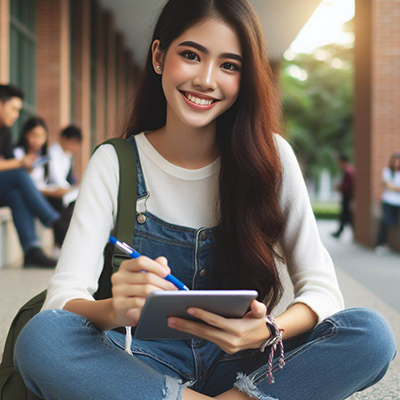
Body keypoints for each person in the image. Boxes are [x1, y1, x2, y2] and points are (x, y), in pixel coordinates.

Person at [13, 1, 396, 399]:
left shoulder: (272, 157)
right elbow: (61, 300)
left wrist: (268, 329)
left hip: (241, 363)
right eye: (191, 55)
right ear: (159, 56)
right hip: (139, 363)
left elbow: (322, 291)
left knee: (371, 335)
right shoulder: (115, 161)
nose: (207, 79)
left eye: (229, 65)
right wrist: (114, 309)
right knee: (44, 337)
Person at [0, 84, 67, 268]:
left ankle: (31, 252)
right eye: (13, 109)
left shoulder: (5, 131)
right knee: (19, 176)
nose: (16, 115)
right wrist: (19, 165)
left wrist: (24, 165)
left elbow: (10, 164)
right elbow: (13, 165)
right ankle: (55, 222)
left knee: (16, 195)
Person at [14, 117, 77, 247]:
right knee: (58, 204)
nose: (37, 140)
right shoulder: (17, 154)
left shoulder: (44, 157)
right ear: (25, 134)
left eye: (41, 136)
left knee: (66, 203)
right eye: (34, 135)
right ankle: (57, 228)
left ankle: (64, 243)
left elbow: (43, 182)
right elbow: (21, 183)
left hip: (40, 193)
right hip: (26, 194)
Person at [374, 151, 400, 255]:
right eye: (395, 161)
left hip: (398, 203)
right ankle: (381, 244)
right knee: (386, 222)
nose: (396, 163)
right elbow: (387, 186)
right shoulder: (387, 171)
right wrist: (396, 188)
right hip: (388, 201)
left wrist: (392, 187)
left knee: (395, 222)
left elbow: (390, 186)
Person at [331, 154, 355, 239]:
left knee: (347, 216)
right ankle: (339, 232)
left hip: (348, 197)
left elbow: (347, 186)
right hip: (346, 197)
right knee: (345, 216)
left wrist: (339, 187)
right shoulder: (347, 170)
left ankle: (342, 232)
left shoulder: (348, 171)